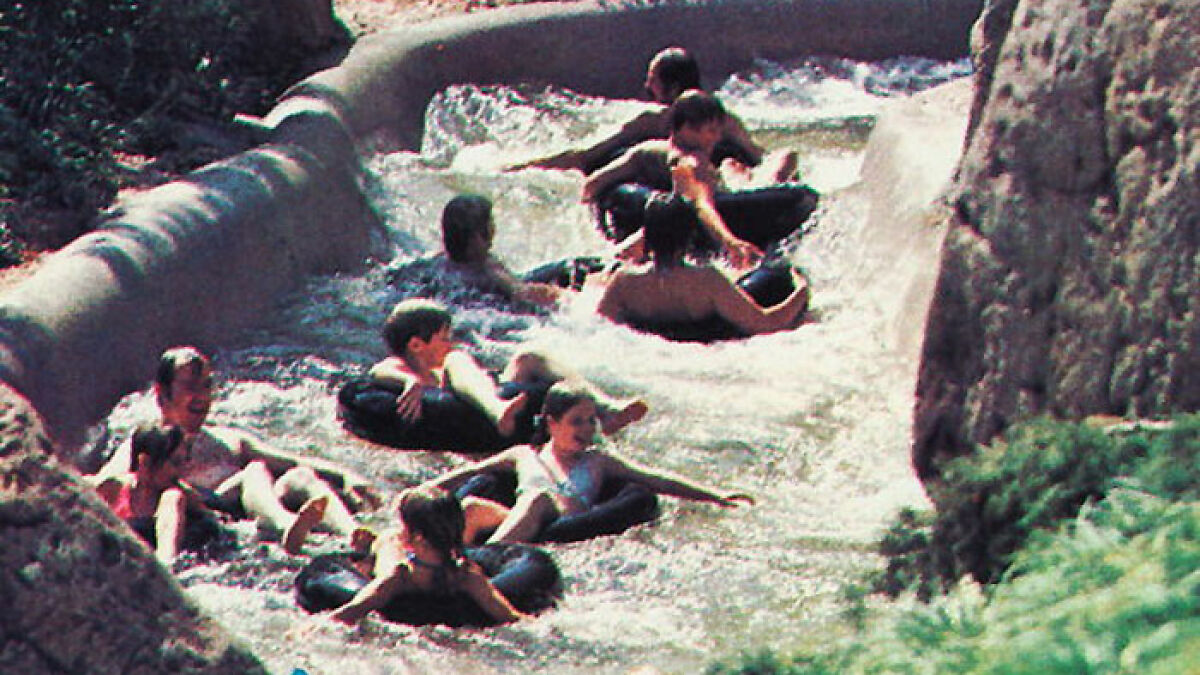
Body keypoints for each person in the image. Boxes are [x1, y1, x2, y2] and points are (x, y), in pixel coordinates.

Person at [94, 346, 377, 551]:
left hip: (244, 512)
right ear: (162, 393)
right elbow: (107, 483)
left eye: (207, 386)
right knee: (255, 470)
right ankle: (284, 526)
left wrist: (346, 476)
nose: (202, 397)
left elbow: (292, 460)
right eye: (191, 386)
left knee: (299, 476)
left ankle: (353, 533)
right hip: (202, 521)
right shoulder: (144, 446)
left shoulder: (229, 440)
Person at [418, 381, 754, 544]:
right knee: (474, 505)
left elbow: (656, 479)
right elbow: (473, 471)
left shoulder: (599, 461)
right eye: (577, 421)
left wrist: (716, 495)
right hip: (523, 519)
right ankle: (442, 563)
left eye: (592, 420)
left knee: (537, 499)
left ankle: (484, 559)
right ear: (552, 423)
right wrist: (426, 489)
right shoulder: (524, 454)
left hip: (563, 523)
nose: (587, 429)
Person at [369, 298, 647, 438]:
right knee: (458, 358)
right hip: (469, 407)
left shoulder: (439, 364)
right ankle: (498, 410)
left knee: (530, 356)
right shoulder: (402, 366)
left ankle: (605, 407)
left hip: (481, 389)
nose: (450, 343)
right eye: (444, 338)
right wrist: (409, 383)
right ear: (417, 345)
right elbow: (378, 372)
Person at [507, 47, 789, 178]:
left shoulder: (652, 121)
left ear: (672, 86)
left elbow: (586, 154)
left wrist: (525, 167)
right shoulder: (726, 120)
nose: (646, 86)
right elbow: (760, 156)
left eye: (652, 80)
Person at [583, 91, 770, 267]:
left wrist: (600, 229)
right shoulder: (693, 160)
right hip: (682, 227)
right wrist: (730, 241)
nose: (717, 138)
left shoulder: (646, 150)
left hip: (641, 214)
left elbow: (592, 185)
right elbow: (698, 202)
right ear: (687, 129)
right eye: (711, 130)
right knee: (785, 158)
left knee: (730, 164)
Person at [597, 193, 810, 337]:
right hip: (702, 339)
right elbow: (766, 323)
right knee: (774, 263)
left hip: (654, 343)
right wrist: (801, 290)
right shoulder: (707, 280)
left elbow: (597, 326)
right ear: (689, 238)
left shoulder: (624, 282)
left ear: (647, 237)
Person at [328, 485, 529, 625]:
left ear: (418, 538)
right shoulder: (466, 576)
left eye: (403, 526)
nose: (400, 531)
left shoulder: (399, 577)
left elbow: (352, 610)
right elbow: (511, 616)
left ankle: (370, 542)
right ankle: (370, 542)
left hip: (393, 559)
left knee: (388, 541)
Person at [434, 193, 566, 308]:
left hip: (470, 304)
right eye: (490, 224)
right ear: (476, 238)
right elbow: (524, 294)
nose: (494, 230)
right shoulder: (491, 274)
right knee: (574, 268)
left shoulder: (433, 266)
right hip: (497, 310)